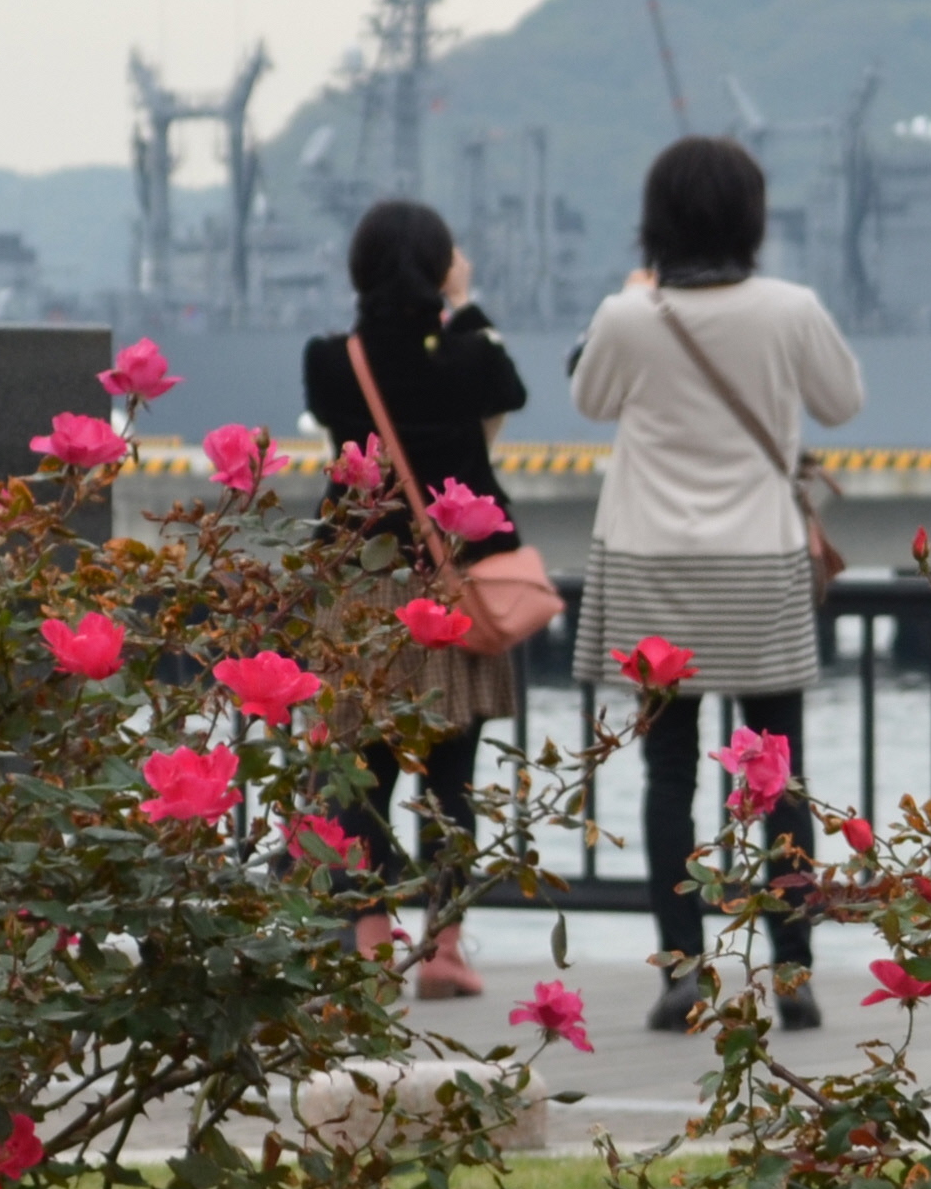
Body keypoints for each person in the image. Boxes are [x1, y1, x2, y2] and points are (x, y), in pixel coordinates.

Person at [571, 135, 862, 1030]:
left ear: (655, 220)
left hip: (653, 563)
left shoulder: (629, 317)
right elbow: (842, 399)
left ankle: (680, 972)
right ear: (751, 218)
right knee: (779, 772)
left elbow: (589, 399)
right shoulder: (790, 307)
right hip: (760, 562)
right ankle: (796, 975)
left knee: (667, 773)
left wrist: (625, 303)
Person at [302, 198, 527, 1000]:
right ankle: (444, 948)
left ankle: (368, 941)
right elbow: (507, 388)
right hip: (452, 582)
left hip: (357, 584)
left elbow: (339, 413)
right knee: (450, 777)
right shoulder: (467, 357)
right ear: (440, 267)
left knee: (354, 771)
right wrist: (461, 304)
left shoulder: (332, 361)